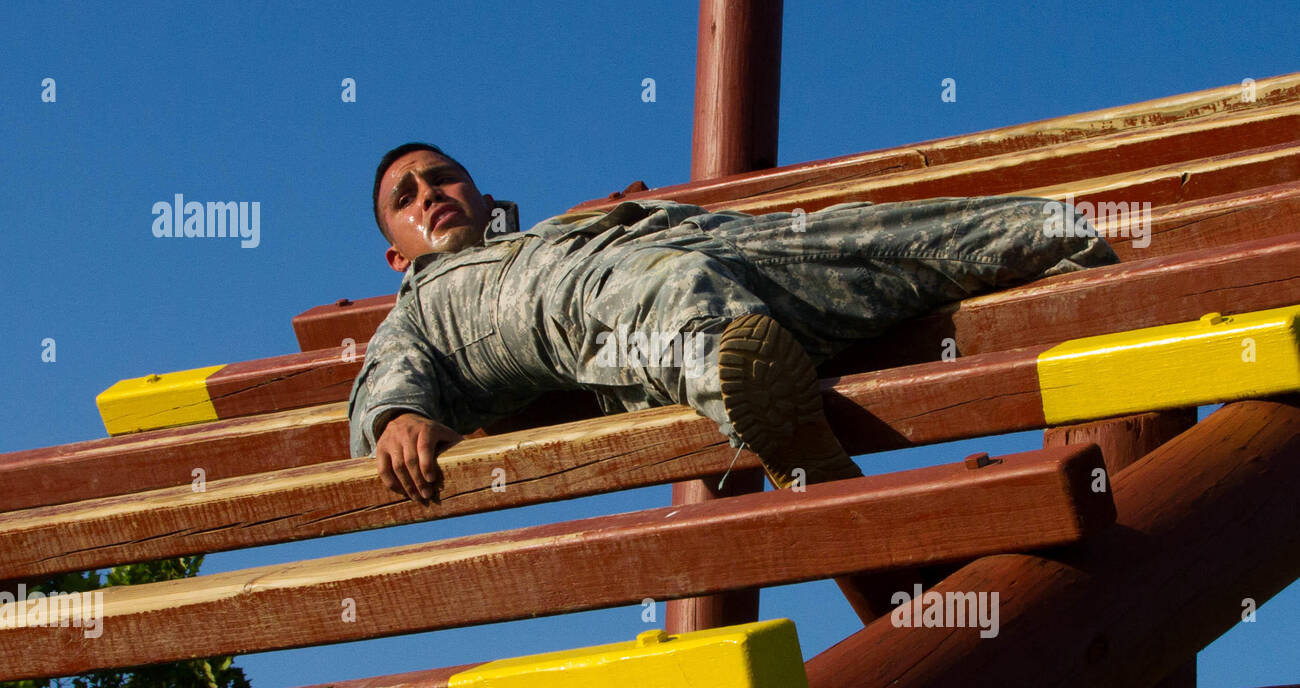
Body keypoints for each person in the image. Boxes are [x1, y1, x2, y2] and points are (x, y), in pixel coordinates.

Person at [349, 142, 1119, 503]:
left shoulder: (552, 229)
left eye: (442, 176)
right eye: (404, 196)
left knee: (880, 234)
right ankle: (752, 395)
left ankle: (1064, 247)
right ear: (394, 254)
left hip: (729, 251)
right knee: (668, 294)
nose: (427, 193)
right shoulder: (420, 306)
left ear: (483, 195)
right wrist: (397, 417)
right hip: (617, 319)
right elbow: (382, 382)